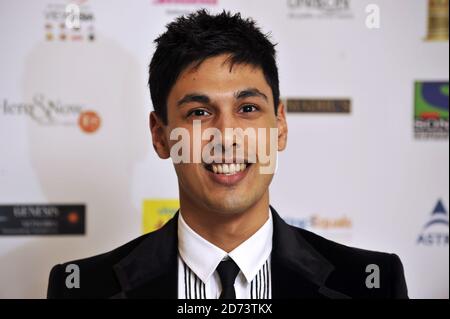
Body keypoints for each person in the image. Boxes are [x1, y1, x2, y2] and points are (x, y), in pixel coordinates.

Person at [47, 9, 408, 299]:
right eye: (199, 113)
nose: (226, 136)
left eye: (248, 108)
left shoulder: (370, 285)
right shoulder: (80, 288)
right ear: (160, 136)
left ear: (279, 125)